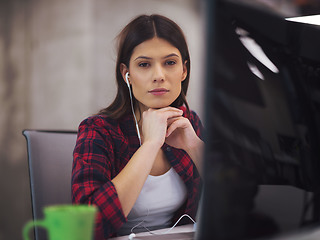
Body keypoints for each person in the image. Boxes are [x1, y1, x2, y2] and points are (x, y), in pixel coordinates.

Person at [71, 14, 204, 239]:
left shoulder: (189, 122)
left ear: (184, 70)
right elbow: (85, 227)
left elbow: (236, 204)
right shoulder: (98, 131)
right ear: (127, 74)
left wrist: (194, 145)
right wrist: (150, 145)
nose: (159, 76)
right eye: (144, 64)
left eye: (170, 62)